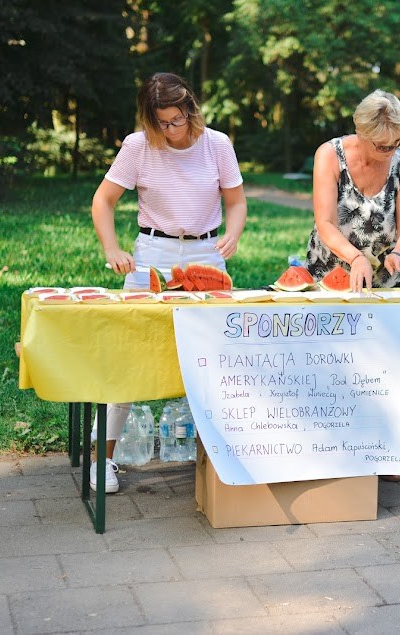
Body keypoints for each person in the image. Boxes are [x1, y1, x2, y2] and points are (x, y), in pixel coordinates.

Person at [89, 72, 247, 492]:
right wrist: (112, 249)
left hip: (206, 252)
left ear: (191, 111)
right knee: (128, 354)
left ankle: (226, 454)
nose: (169, 131)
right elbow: (103, 201)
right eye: (160, 122)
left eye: (176, 121)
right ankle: (101, 460)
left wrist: (233, 232)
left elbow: (235, 200)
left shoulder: (218, 144)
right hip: (153, 253)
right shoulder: (137, 147)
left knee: (220, 357)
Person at [305, 89, 400, 295]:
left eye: (397, 143)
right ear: (361, 133)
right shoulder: (330, 155)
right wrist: (356, 258)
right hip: (328, 273)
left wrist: (398, 253)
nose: (391, 152)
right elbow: (325, 223)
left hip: (385, 284)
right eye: (383, 146)